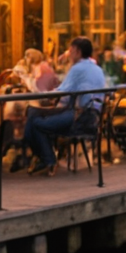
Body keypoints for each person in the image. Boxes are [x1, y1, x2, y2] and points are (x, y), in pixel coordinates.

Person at [21, 37, 104, 176]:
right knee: (34, 117)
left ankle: (47, 159)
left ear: (77, 52)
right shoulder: (97, 68)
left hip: (78, 119)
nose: (69, 54)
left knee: (33, 121)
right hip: (93, 118)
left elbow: (63, 93)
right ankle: (46, 158)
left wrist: (47, 97)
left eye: (71, 51)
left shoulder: (77, 69)